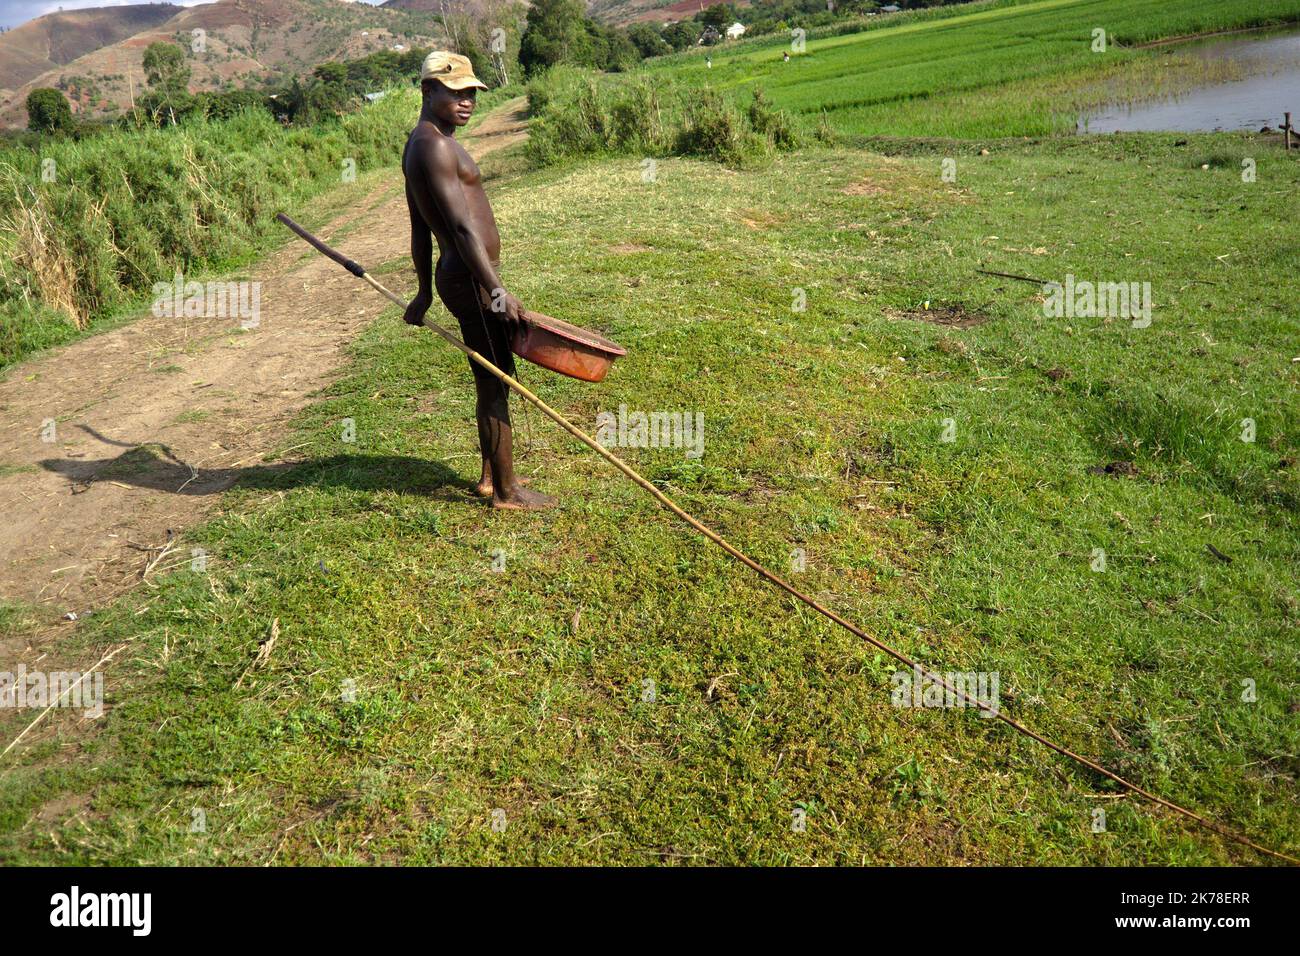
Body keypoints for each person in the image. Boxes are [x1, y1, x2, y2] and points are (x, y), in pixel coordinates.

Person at [401, 52, 556, 510]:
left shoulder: (424, 141)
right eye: (456, 93)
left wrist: (425, 291)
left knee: (491, 375)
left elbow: (417, 228)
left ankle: (490, 477)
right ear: (428, 91)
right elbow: (462, 229)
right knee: (496, 379)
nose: (467, 102)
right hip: (471, 280)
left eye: (471, 93)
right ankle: (508, 493)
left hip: (464, 277)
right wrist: (495, 290)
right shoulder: (433, 146)